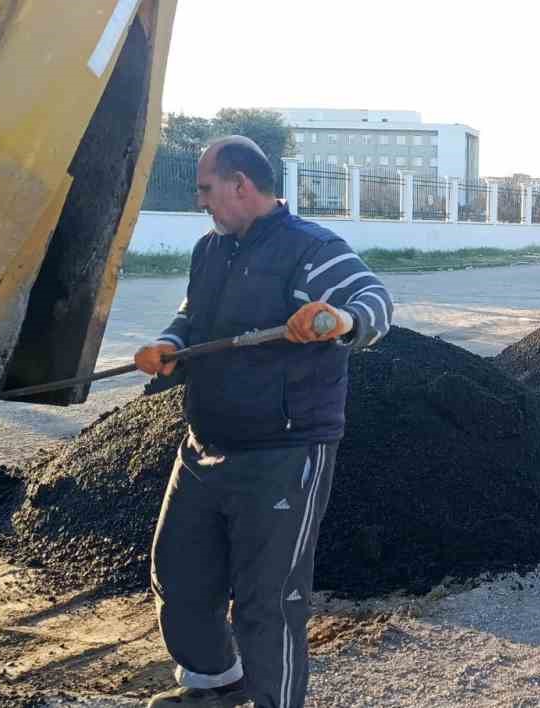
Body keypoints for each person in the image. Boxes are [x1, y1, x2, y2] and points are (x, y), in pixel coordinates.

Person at [134, 136, 393, 707]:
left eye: (205, 188)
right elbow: (192, 315)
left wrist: (338, 317)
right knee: (179, 576)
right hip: (205, 446)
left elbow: (375, 302)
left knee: (267, 599)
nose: (201, 200)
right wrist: (169, 345)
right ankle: (215, 685)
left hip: (284, 453)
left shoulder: (311, 249)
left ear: (239, 185)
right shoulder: (211, 249)